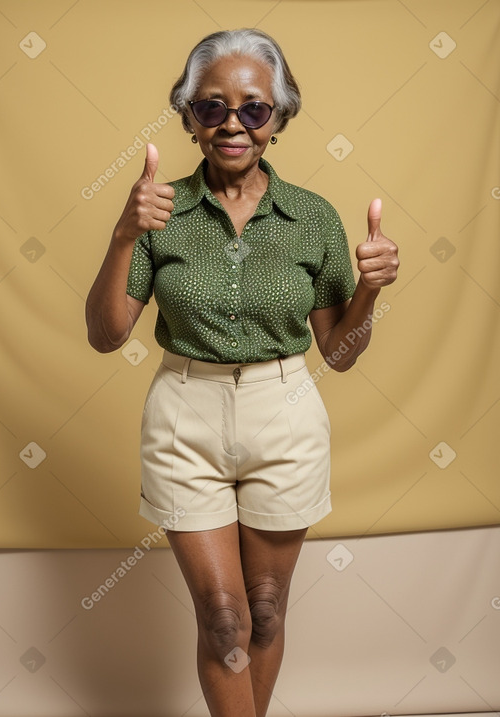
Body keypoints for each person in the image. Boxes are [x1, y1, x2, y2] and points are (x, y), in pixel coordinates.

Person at [85, 27, 399, 717]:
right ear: (189, 116)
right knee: (224, 619)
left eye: (254, 108)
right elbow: (105, 335)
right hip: (184, 410)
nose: (233, 123)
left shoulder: (313, 218)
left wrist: (371, 290)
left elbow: (339, 355)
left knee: (265, 614)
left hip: (283, 407)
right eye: (212, 106)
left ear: (278, 117)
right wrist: (123, 234)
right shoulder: (156, 211)